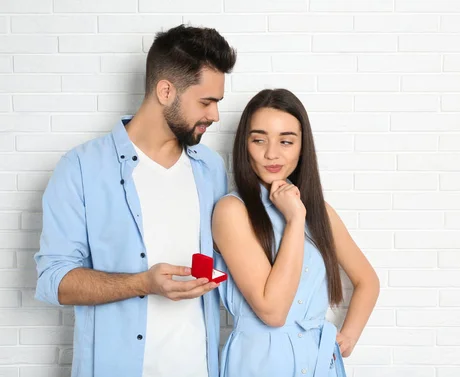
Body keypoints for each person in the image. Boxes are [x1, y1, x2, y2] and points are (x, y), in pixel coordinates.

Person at [33, 25, 236, 377]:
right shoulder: (81, 168)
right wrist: (143, 283)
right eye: (206, 101)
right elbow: (55, 280)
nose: (215, 115)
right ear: (165, 90)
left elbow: (218, 263)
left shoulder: (210, 169)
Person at [212, 88, 380, 377]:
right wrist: (295, 219)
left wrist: (349, 336)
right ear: (244, 145)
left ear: (303, 146)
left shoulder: (320, 212)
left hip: (318, 362)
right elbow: (272, 311)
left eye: (286, 141)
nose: (271, 153)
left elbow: (367, 280)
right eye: (259, 140)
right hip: (259, 362)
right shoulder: (232, 211)